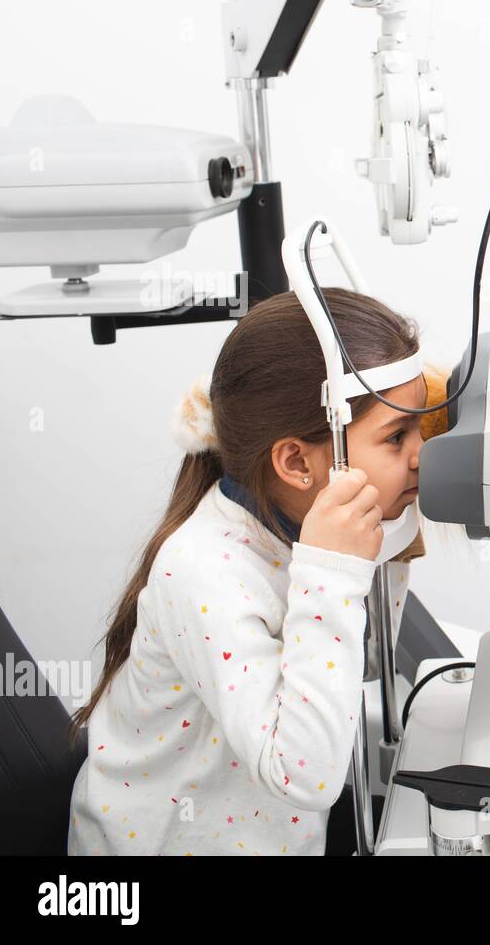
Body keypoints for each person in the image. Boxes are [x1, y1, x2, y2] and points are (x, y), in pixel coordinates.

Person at [67, 288, 447, 855]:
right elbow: (308, 774)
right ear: (297, 462)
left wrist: (391, 539)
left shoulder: (298, 528)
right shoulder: (205, 572)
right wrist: (337, 572)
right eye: (397, 437)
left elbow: (346, 676)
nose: (422, 453)